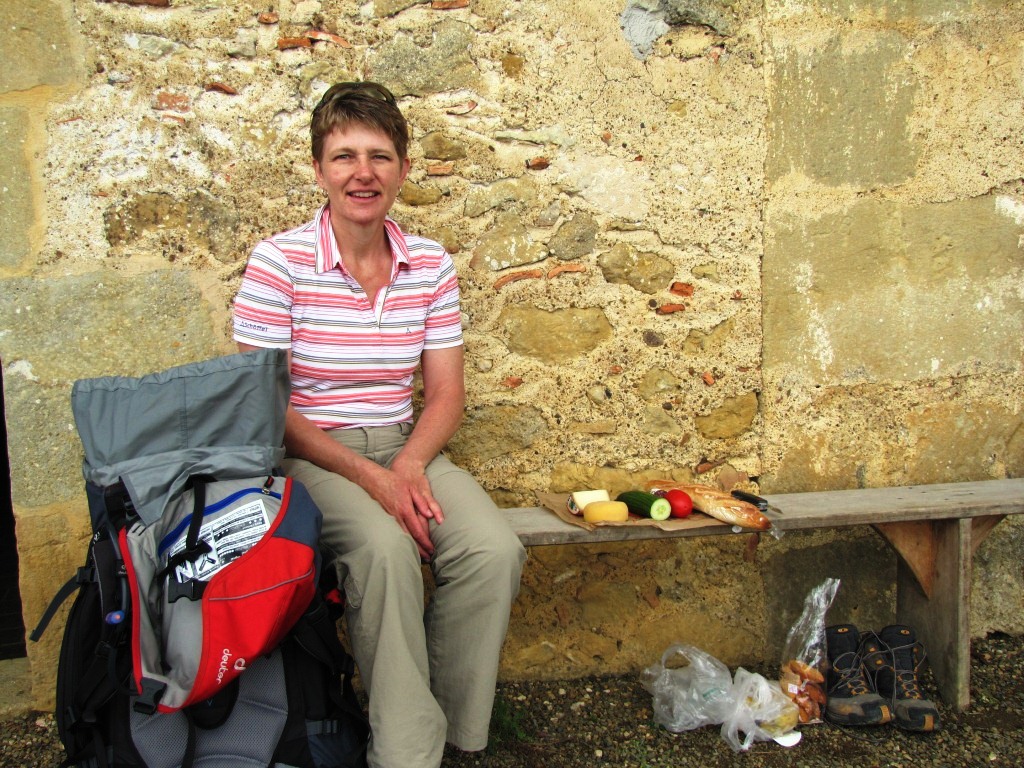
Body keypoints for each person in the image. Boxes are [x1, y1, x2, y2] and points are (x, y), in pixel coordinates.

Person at [232, 81, 526, 768]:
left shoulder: (429, 264)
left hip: (405, 448)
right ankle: (404, 754)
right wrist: (371, 478)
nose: (362, 173)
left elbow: (446, 393)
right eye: (344, 156)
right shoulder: (279, 263)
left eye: (379, 156)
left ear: (403, 169)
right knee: (385, 553)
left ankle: (449, 733)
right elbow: (265, 406)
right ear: (319, 170)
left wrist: (409, 465)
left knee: (492, 551)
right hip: (312, 457)